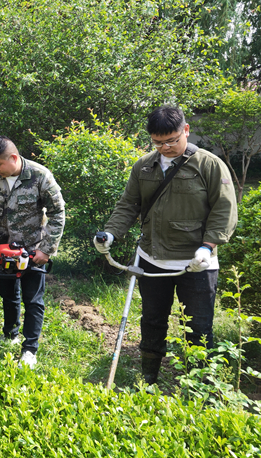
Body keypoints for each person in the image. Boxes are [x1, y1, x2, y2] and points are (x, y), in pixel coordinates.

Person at [94, 106, 238, 384]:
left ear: (186, 130)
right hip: (151, 258)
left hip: (197, 263)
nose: (166, 147)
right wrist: (111, 234)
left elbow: (224, 209)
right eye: (158, 142)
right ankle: (148, 378)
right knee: (152, 320)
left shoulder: (208, 165)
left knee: (198, 327)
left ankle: (200, 385)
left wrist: (208, 246)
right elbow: (128, 205)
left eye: (172, 140)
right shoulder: (143, 166)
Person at [0, 135, 65, 368]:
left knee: (32, 299)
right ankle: (10, 335)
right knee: (7, 294)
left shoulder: (39, 175)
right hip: (3, 248)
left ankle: (30, 349)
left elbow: (57, 213)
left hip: (33, 250)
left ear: (14, 158)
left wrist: (47, 249)